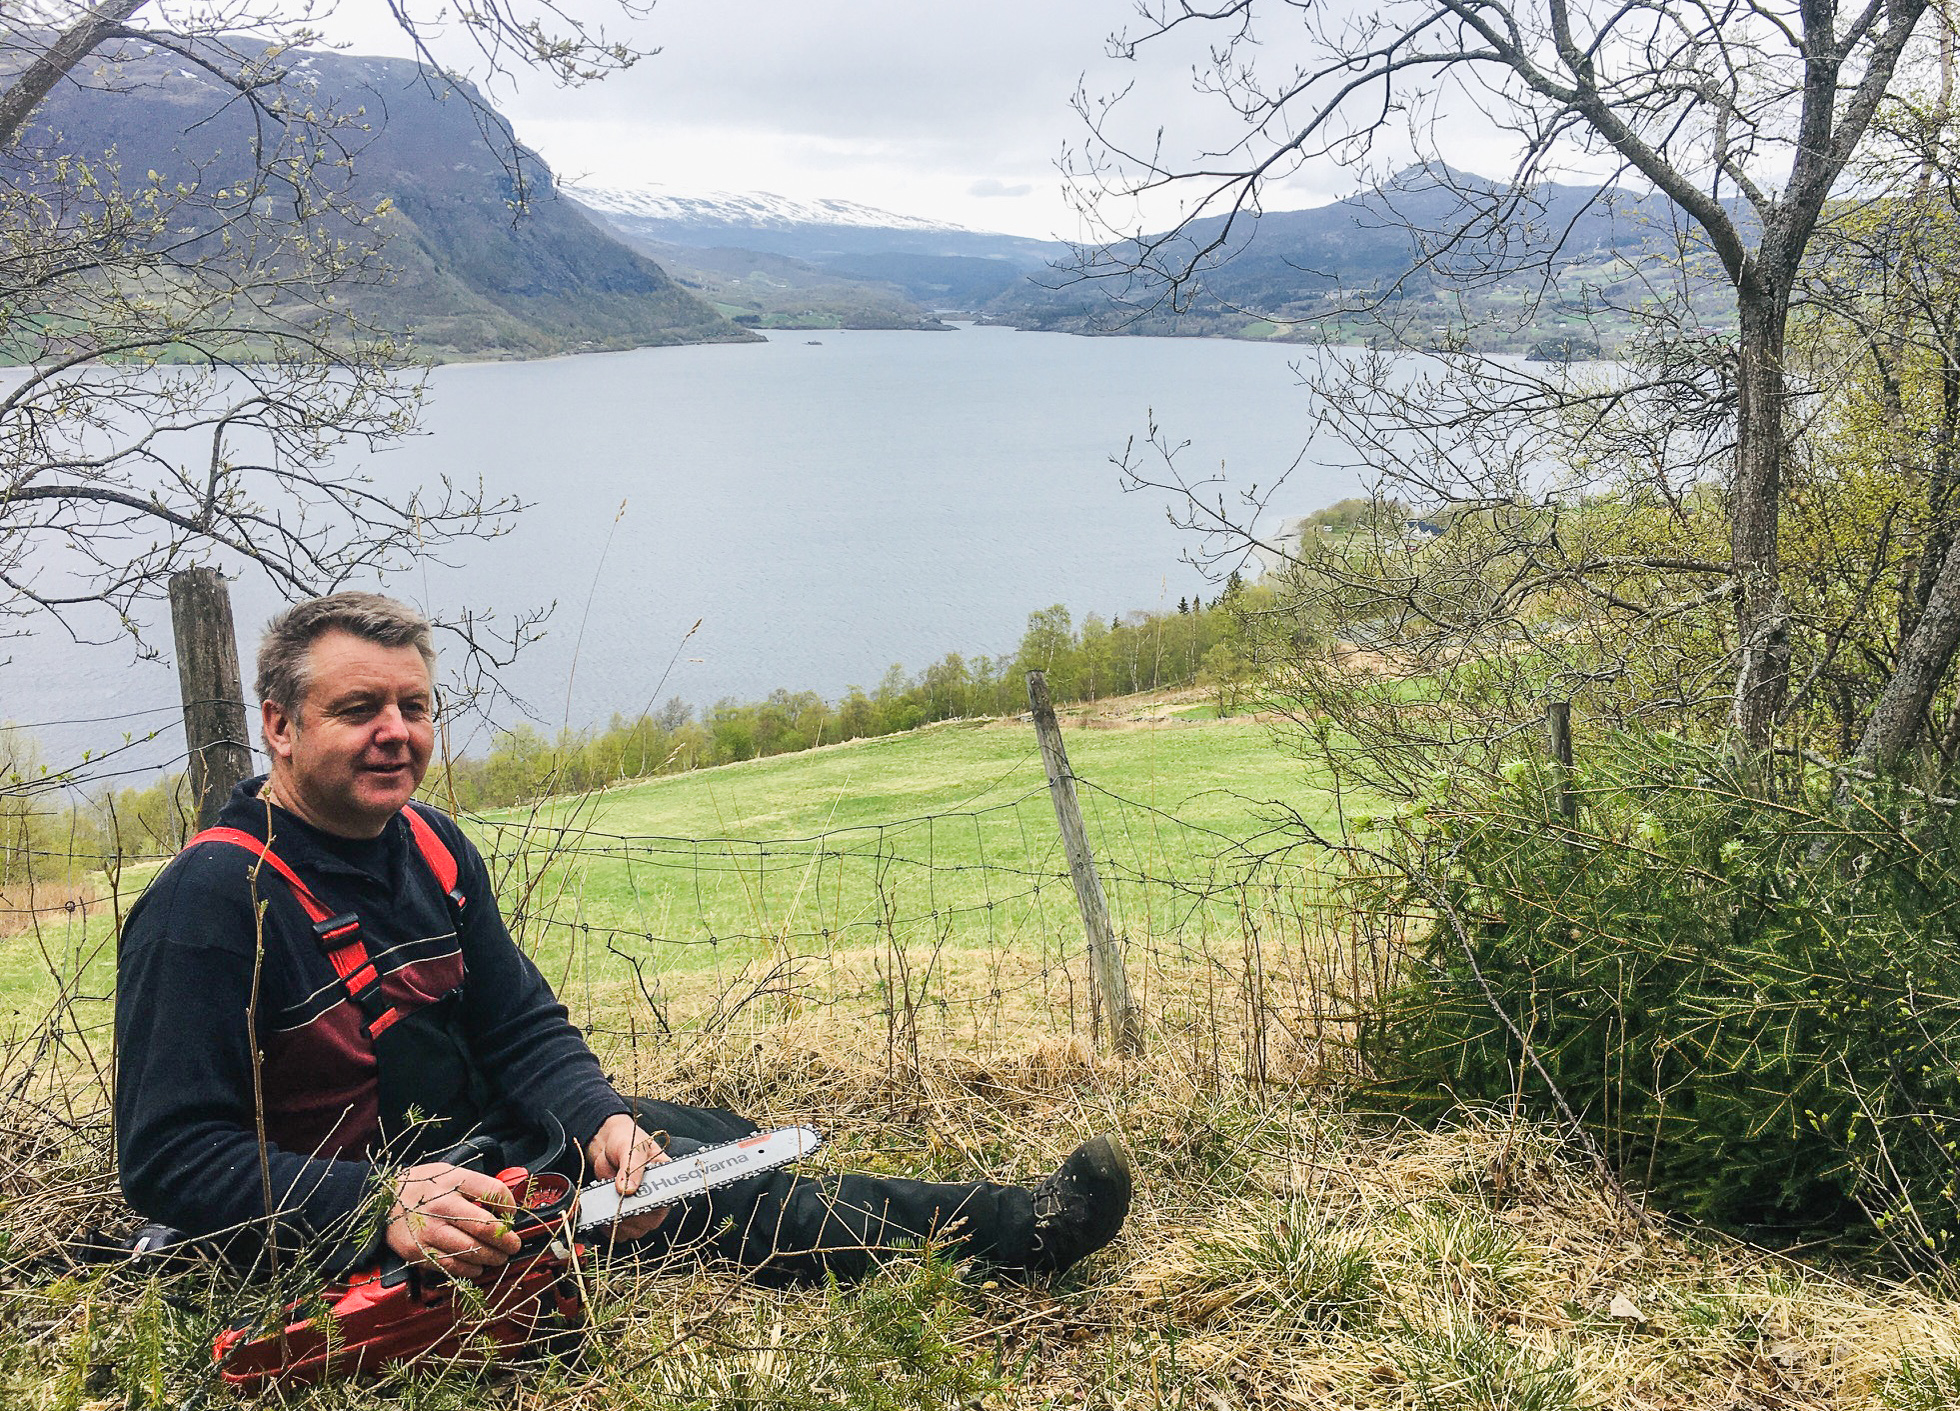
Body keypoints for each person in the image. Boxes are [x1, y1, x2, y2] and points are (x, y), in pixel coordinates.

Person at [115, 591, 1131, 1287]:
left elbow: (520, 1028)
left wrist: (596, 1115)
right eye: (358, 708)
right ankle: (1007, 1231)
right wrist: (375, 1202)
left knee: (707, 1140)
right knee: (719, 1196)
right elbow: (168, 1159)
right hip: (362, 1219)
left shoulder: (428, 843)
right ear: (279, 726)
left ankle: (785, 1191)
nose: (397, 731)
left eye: (414, 706)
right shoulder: (213, 901)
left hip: (474, 1140)